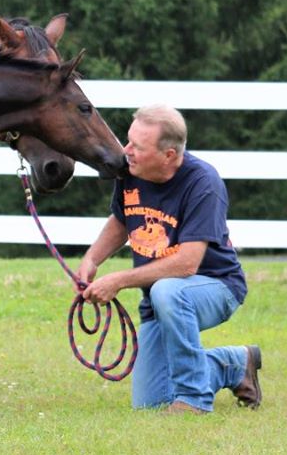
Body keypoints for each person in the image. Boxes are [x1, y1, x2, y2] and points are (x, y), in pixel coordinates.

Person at [76, 104, 261, 414]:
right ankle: (234, 364)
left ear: (169, 156)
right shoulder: (130, 172)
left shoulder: (203, 183)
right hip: (160, 300)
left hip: (215, 287)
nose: (127, 151)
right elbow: (123, 220)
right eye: (129, 140)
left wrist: (118, 281)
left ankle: (194, 400)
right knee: (150, 403)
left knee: (167, 289)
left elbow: (186, 263)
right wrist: (93, 259)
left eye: (138, 146)